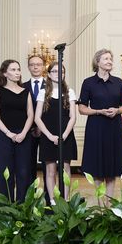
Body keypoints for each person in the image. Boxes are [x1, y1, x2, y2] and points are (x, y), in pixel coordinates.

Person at [78, 49, 122, 206]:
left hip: (114, 128)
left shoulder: (118, 82)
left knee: (112, 167)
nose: (109, 61)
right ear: (97, 62)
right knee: (98, 167)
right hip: (96, 127)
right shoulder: (88, 83)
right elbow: (81, 108)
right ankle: (101, 205)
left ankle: (109, 205)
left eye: (110, 59)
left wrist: (117, 110)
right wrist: (98, 111)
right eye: (106, 58)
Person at [0, 59, 34, 202]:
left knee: (23, 172)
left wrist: (23, 133)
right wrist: (9, 134)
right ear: (5, 73)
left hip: (24, 136)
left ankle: (22, 208)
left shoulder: (26, 91)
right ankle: (6, 210)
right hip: (4, 136)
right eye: (13, 70)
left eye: (18, 69)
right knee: (5, 172)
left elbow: (31, 115)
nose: (17, 73)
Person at [34, 62, 77, 205]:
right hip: (48, 136)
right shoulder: (43, 92)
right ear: (49, 74)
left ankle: (65, 200)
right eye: (54, 71)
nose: (58, 74)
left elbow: (73, 117)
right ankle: (52, 201)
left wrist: (64, 135)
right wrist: (49, 135)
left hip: (66, 135)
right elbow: (37, 118)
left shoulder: (69, 92)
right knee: (50, 170)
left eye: (61, 71)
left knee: (65, 169)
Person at [23, 55, 51, 203]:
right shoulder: (21, 86)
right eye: (32, 65)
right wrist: (32, 127)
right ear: (28, 67)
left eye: (38, 64)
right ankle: (30, 199)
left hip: (46, 131)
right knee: (28, 165)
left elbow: (51, 111)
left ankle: (49, 198)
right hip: (27, 132)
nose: (35, 67)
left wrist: (41, 127)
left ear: (43, 67)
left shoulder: (51, 86)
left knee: (48, 166)